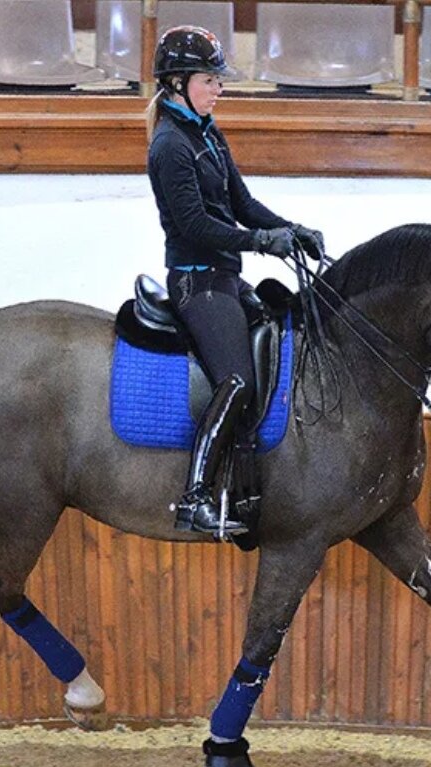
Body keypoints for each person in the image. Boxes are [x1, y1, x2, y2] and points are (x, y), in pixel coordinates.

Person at [146, 25, 325, 537]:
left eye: (218, 81)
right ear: (178, 83)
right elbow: (196, 226)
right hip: (196, 282)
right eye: (210, 80)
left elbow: (242, 205)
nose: (219, 89)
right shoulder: (170, 145)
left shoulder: (208, 133)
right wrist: (261, 244)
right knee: (237, 379)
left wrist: (289, 230)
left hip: (225, 277)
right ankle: (195, 494)